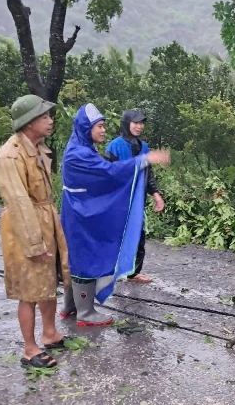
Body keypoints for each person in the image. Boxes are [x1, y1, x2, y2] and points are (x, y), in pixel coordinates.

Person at [61, 104, 170, 326]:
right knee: (86, 259)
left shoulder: (83, 147)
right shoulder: (80, 154)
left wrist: (153, 188)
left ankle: (72, 306)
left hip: (83, 210)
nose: (103, 130)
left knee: (80, 258)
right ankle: (85, 313)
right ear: (87, 128)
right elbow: (109, 172)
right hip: (82, 213)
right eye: (100, 126)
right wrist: (143, 160)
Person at [0, 94, 72, 369]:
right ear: (29, 122)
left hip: (44, 218)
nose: (50, 121)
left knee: (47, 282)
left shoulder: (37, 148)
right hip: (24, 227)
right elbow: (18, 204)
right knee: (28, 290)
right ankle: (29, 349)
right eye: (44, 117)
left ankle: (49, 333)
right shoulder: (10, 155)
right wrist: (34, 245)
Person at [104, 109, 165, 284]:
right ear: (126, 123)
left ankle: (133, 272)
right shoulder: (115, 146)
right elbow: (107, 173)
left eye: (141, 123)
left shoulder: (144, 147)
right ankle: (110, 270)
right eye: (135, 123)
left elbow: (148, 174)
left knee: (138, 234)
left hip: (137, 201)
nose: (139, 126)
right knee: (116, 236)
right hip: (118, 200)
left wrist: (156, 195)